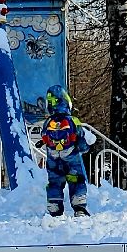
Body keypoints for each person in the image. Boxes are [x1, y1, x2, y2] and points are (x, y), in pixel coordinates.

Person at [40, 84, 94, 217]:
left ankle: (54, 206)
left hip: (53, 158)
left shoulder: (47, 123)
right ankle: (79, 207)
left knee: (55, 181)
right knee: (76, 179)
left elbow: (44, 137)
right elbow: (81, 140)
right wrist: (85, 148)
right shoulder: (72, 121)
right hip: (71, 157)